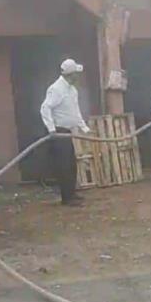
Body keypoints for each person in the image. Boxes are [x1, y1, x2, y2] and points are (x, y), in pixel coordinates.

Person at [40, 58, 90, 206]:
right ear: (71, 74)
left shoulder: (72, 90)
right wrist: (51, 129)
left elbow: (75, 111)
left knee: (71, 164)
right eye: (76, 74)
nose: (78, 77)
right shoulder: (56, 89)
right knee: (64, 165)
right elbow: (45, 108)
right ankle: (66, 198)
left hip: (67, 131)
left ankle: (72, 193)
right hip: (58, 132)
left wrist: (84, 127)